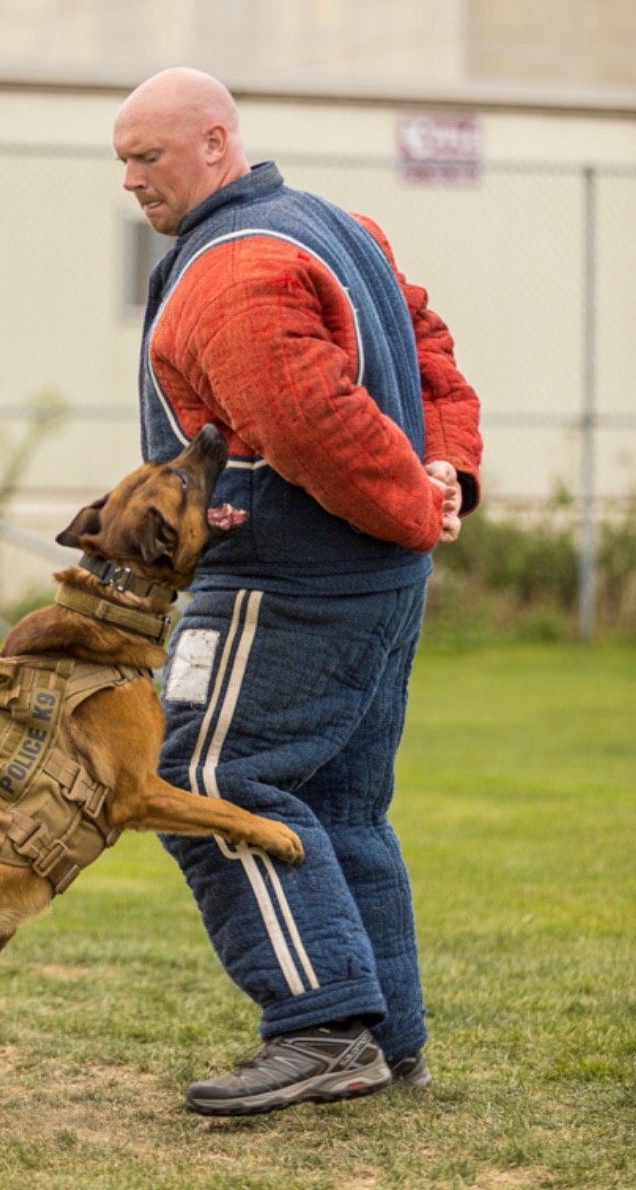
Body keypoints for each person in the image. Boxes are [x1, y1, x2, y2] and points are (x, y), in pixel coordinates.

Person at [113, 67, 481, 1116]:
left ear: (217, 142)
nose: (133, 181)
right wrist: (442, 473)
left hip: (286, 578)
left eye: (149, 156)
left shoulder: (231, 267)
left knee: (211, 781)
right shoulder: (333, 226)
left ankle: (320, 1029)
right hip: (376, 573)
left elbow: (309, 419)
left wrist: (420, 493)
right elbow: (428, 352)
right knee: (338, 805)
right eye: (122, 161)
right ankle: (387, 1038)